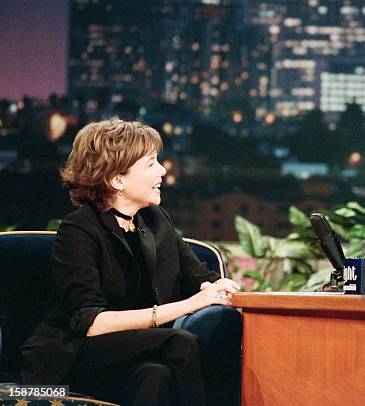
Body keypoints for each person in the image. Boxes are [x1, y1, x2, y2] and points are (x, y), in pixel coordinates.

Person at [21, 118, 242, 405]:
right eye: (151, 163)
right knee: (180, 342)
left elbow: (200, 278)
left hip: (137, 354)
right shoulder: (78, 230)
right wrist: (188, 306)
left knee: (155, 376)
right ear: (117, 180)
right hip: (73, 356)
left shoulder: (156, 220)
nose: (163, 170)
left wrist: (221, 288)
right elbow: (91, 323)